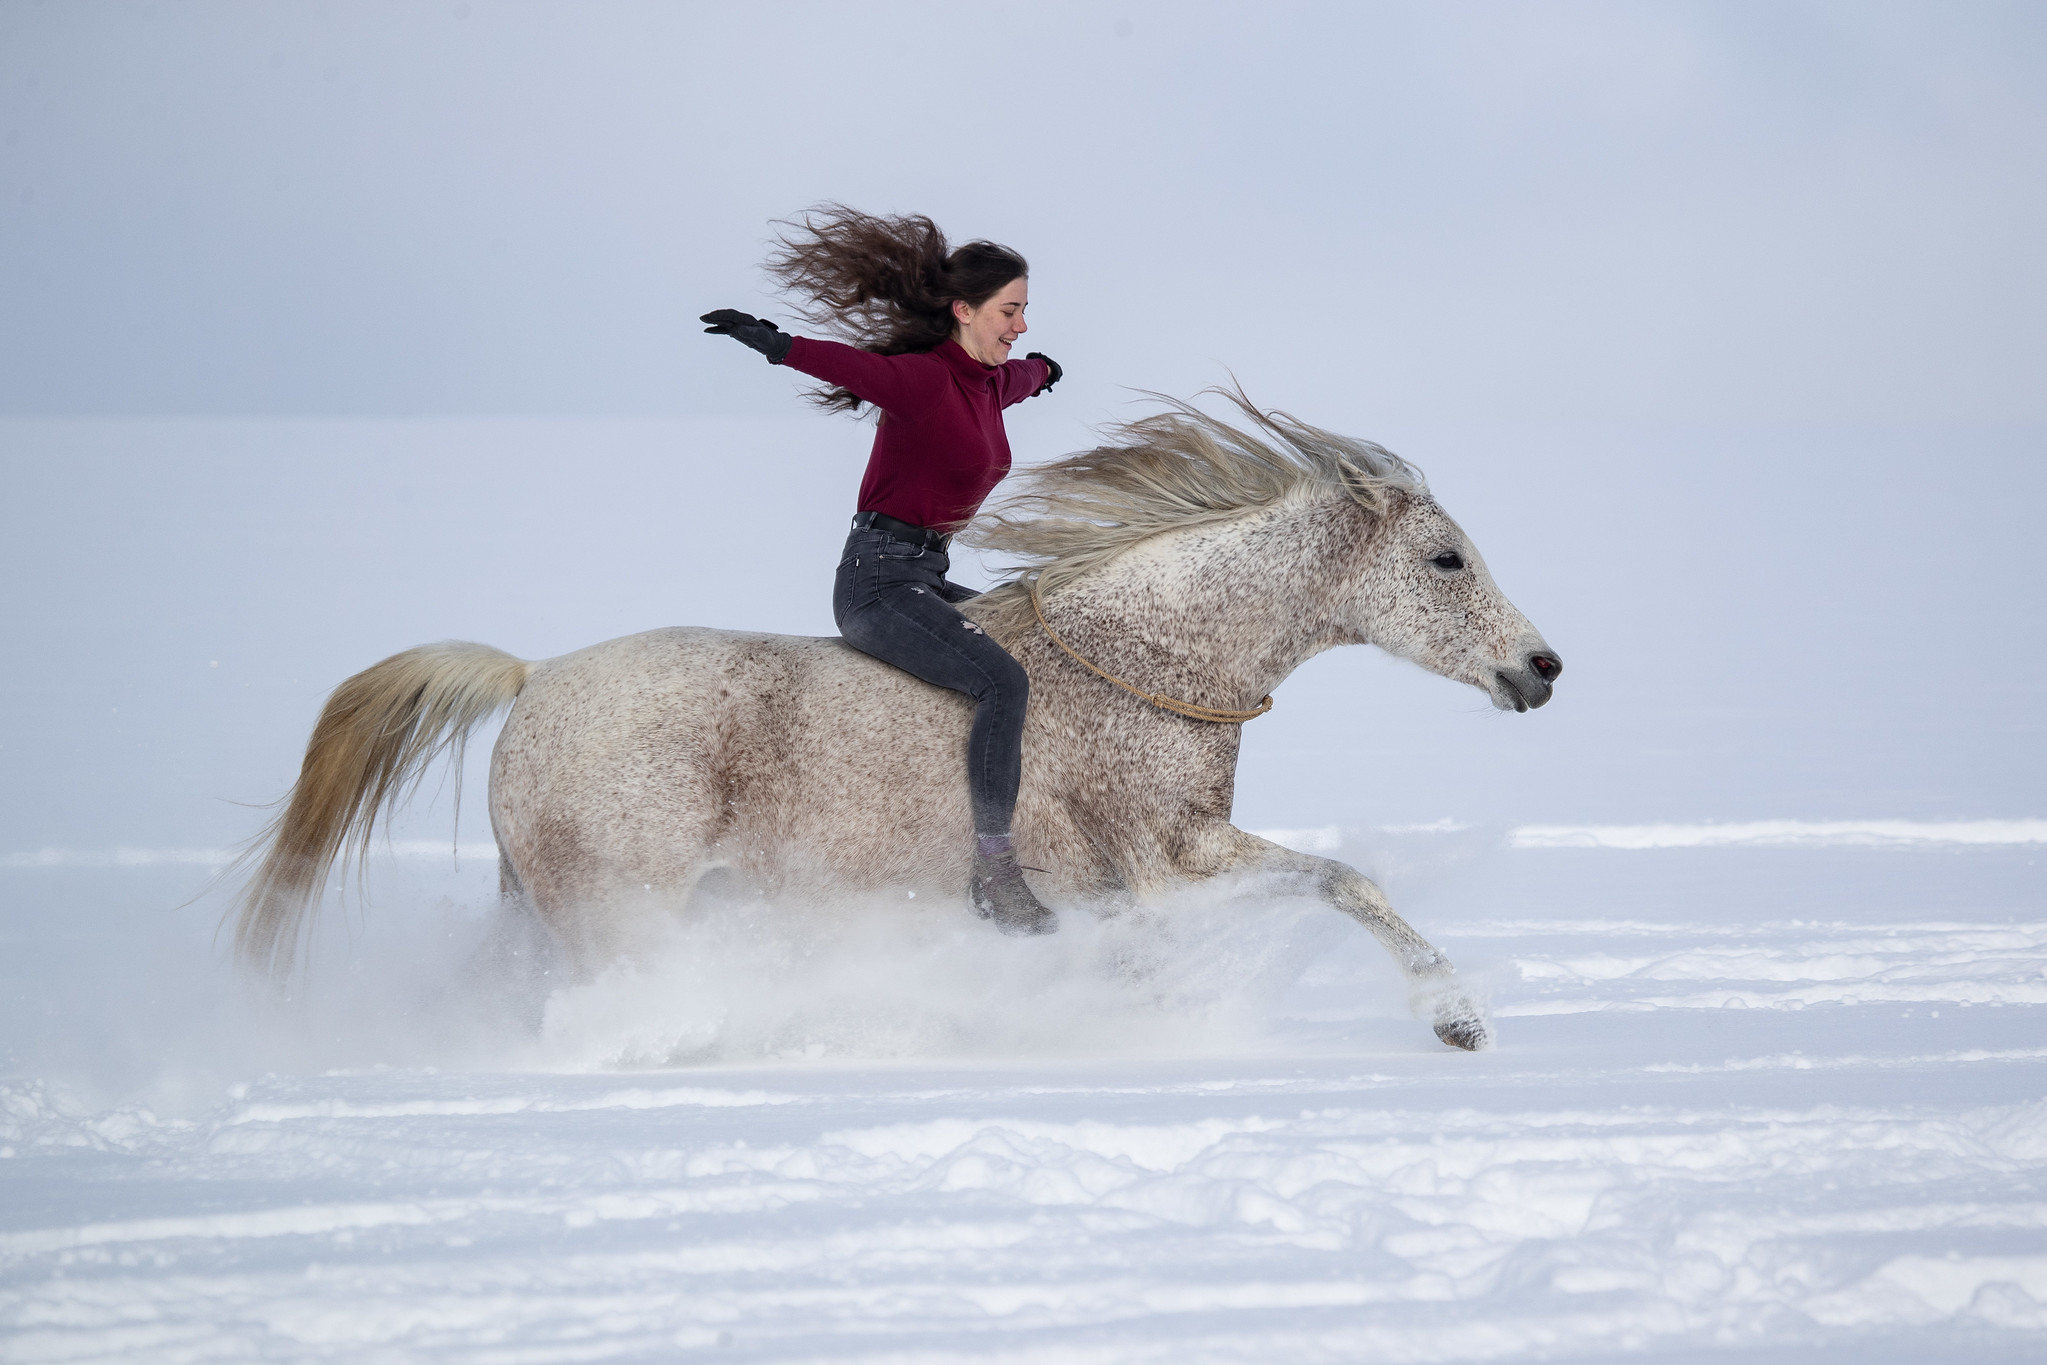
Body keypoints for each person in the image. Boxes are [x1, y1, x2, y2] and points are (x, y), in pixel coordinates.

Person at [700, 208, 1064, 936]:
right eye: (1009, 311)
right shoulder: (923, 383)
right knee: (1002, 680)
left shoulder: (992, 383)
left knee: (1040, 630)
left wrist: (1045, 371)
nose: (1020, 326)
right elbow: (853, 367)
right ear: (963, 311)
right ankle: (994, 869)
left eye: (1025, 312)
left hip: (927, 574)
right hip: (878, 582)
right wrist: (775, 345)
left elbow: (1023, 375)